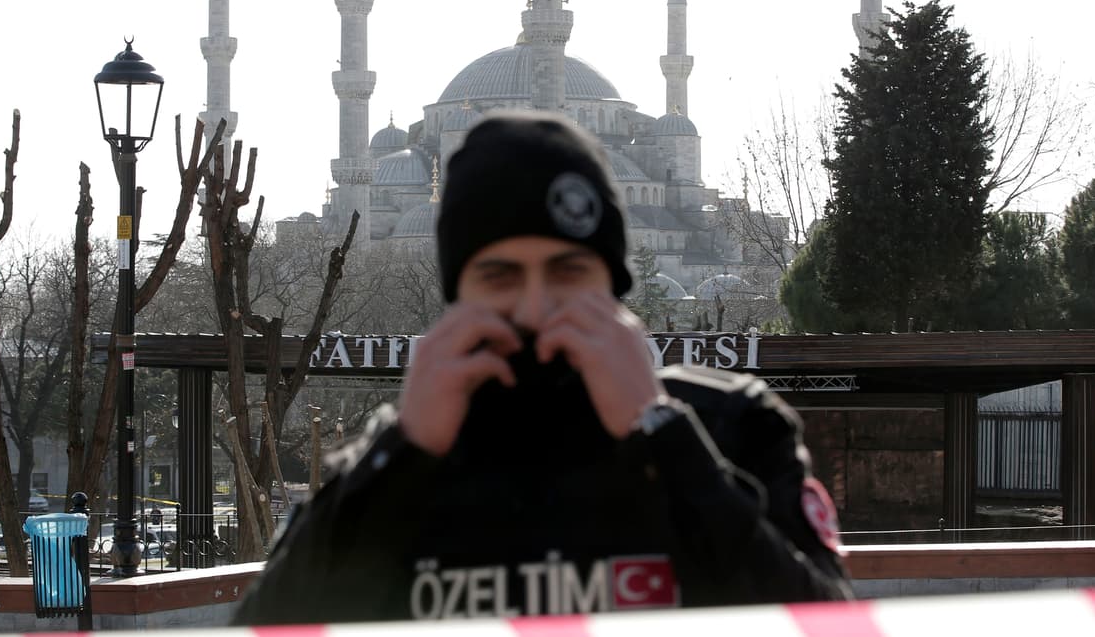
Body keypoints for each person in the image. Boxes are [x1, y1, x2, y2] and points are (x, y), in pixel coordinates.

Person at [233, 112, 852, 625]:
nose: (534, 308)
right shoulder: (401, 462)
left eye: (568, 272)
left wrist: (664, 438)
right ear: (458, 295)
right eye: (500, 276)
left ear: (612, 287)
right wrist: (405, 454)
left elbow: (820, 622)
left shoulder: (732, 429)